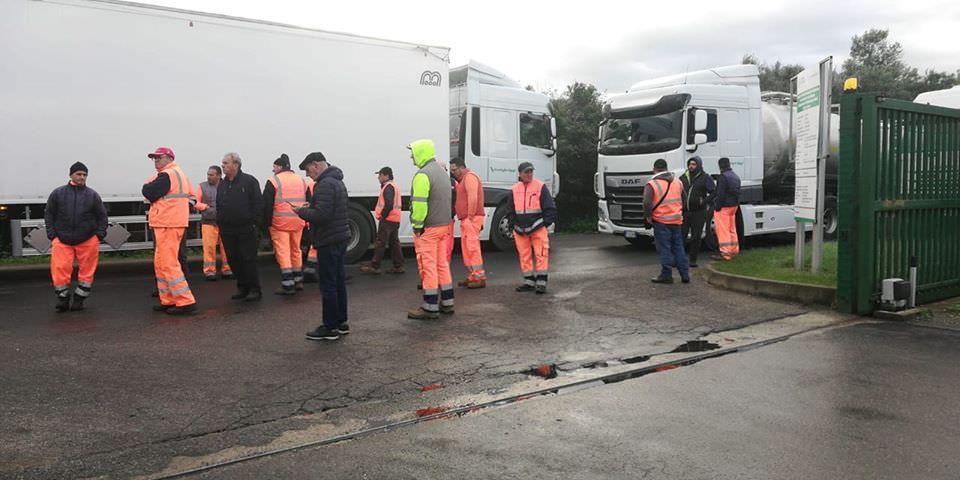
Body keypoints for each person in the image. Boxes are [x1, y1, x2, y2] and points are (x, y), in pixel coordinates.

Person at [297, 152, 351, 340]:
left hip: (329, 239)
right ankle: (341, 322)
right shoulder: (336, 181)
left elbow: (322, 215)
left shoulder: (325, 184)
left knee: (328, 284)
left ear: (316, 165)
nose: (307, 174)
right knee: (338, 282)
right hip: (339, 237)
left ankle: (330, 327)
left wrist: (302, 212)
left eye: (307, 170)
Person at [44, 161, 108, 312]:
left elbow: (102, 216)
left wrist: (98, 235)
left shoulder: (92, 195)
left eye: (85, 175)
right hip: (62, 239)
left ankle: (79, 300)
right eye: (79, 174)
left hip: (87, 239)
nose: (82, 177)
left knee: (87, 273)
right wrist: (52, 235)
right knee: (59, 269)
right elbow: (49, 214)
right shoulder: (58, 193)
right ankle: (63, 299)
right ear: (71, 175)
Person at [143, 146, 197, 314]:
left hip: (168, 223)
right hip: (168, 223)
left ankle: (185, 301)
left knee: (168, 263)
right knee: (161, 263)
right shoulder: (176, 174)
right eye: (154, 158)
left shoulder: (168, 174)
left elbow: (149, 192)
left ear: (169, 158)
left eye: (159, 158)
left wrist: (146, 185)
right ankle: (168, 299)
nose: (156, 161)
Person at [406, 139, 454, 320]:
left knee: (428, 266)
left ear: (421, 153)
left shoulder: (423, 175)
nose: (411, 157)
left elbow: (419, 205)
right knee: (442, 264)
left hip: (429, 229)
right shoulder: (442, 173)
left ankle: (430, 306)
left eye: (413, 153)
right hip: (443, 226)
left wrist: (417, 226)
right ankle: (447, 302)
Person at [217, 152, 264, 301]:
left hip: (246, 228)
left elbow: (258, 204)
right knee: (233, 259)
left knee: (248, 259)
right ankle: (242, 286)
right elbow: (219, 204)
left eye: (226, 163)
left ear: (236, 164)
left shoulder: (249, 181)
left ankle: (254, 289)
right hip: (227, 229)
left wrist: (254, 223)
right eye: (223, 163)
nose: (223, 166)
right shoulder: (223, 184)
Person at [263, 153, 310, 295]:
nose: (273, 169)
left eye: (274, 166)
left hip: (280, 224)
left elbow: (267, 205)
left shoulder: (274, 180)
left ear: (280, 167)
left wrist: (265, 224)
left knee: (283, 252)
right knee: (296, 250)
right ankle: (298, 280)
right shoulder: (301, 181)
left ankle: (287, 284)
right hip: (298, 221)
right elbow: (309, 201)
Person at [509, 162, 557, 294]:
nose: (529, 174)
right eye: (526, 172)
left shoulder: (540, 186)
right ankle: (528, 281)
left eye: (531, 171)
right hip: (520, 229)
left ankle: (541, 282)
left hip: (537, 227)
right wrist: (512, 225)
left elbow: (550, 207)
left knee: (541, 254)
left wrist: (545, 224)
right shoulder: (514, 189)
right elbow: (510, 210)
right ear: (520, 174)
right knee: (524, 256)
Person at [644, 158, 690, 284]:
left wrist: (648, 216)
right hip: (676, 220)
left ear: (654, 169)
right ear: (666, 168)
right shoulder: (677, 182)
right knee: (679, 247)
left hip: (661, 221)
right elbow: (685, 200)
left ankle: (666, 275)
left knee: (665, 248)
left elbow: (647, 202)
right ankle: (685, 274)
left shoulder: (652, 184)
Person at [449, 157, 486, 288]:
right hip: (468, 219)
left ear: (461, 167)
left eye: (454, 170)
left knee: (472, 248)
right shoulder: (466, 178)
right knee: (467, 248)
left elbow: (473, 197)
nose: (453, 173)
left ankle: (478, 276)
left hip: (471, 219)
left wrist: (470, 217)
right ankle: (473, 275)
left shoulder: (469, 177)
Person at [360, 166, 405, 274]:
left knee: (381, 242)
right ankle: (398, 265)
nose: (378, 178)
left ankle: (375, 266)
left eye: (380, 175)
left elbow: (388, 204)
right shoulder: (393, 186)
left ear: (386, 176)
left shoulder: (388, 187)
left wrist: (383, 216)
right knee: (394, 243)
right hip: (395, 219)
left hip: (388, 219)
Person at [194, 165, 232, 281]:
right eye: (208, 174)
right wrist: (204, 207)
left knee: (227, 248)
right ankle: (209, 271)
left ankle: (227, 270)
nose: (208, 177)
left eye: (211, 175)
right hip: (208, 221)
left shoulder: (227, 185)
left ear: (219, 176)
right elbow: (195, 201)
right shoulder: (202, 186)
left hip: (225, 221)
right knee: (209, 247)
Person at [680, 156, 715, 268]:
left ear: (699, 165)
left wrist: (704, 201)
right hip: (685, 212)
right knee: (681, 236)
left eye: (694, 164)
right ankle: (678, 259)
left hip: (699, 212)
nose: (691, 166)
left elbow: (714, 192)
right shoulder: (683, 178)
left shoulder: (705, 177)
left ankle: (692, 260)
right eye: (690, 164)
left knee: (696, 237)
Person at [712, 156, 741, 261]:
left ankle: (725, 253)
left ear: (720, 166)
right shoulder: (735, 176)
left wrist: (717, 206)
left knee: (723, 230)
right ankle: (734, 250)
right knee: (732, 229)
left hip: (724, 207)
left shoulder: (723, 177)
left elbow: (720, 194)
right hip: (734, 206)